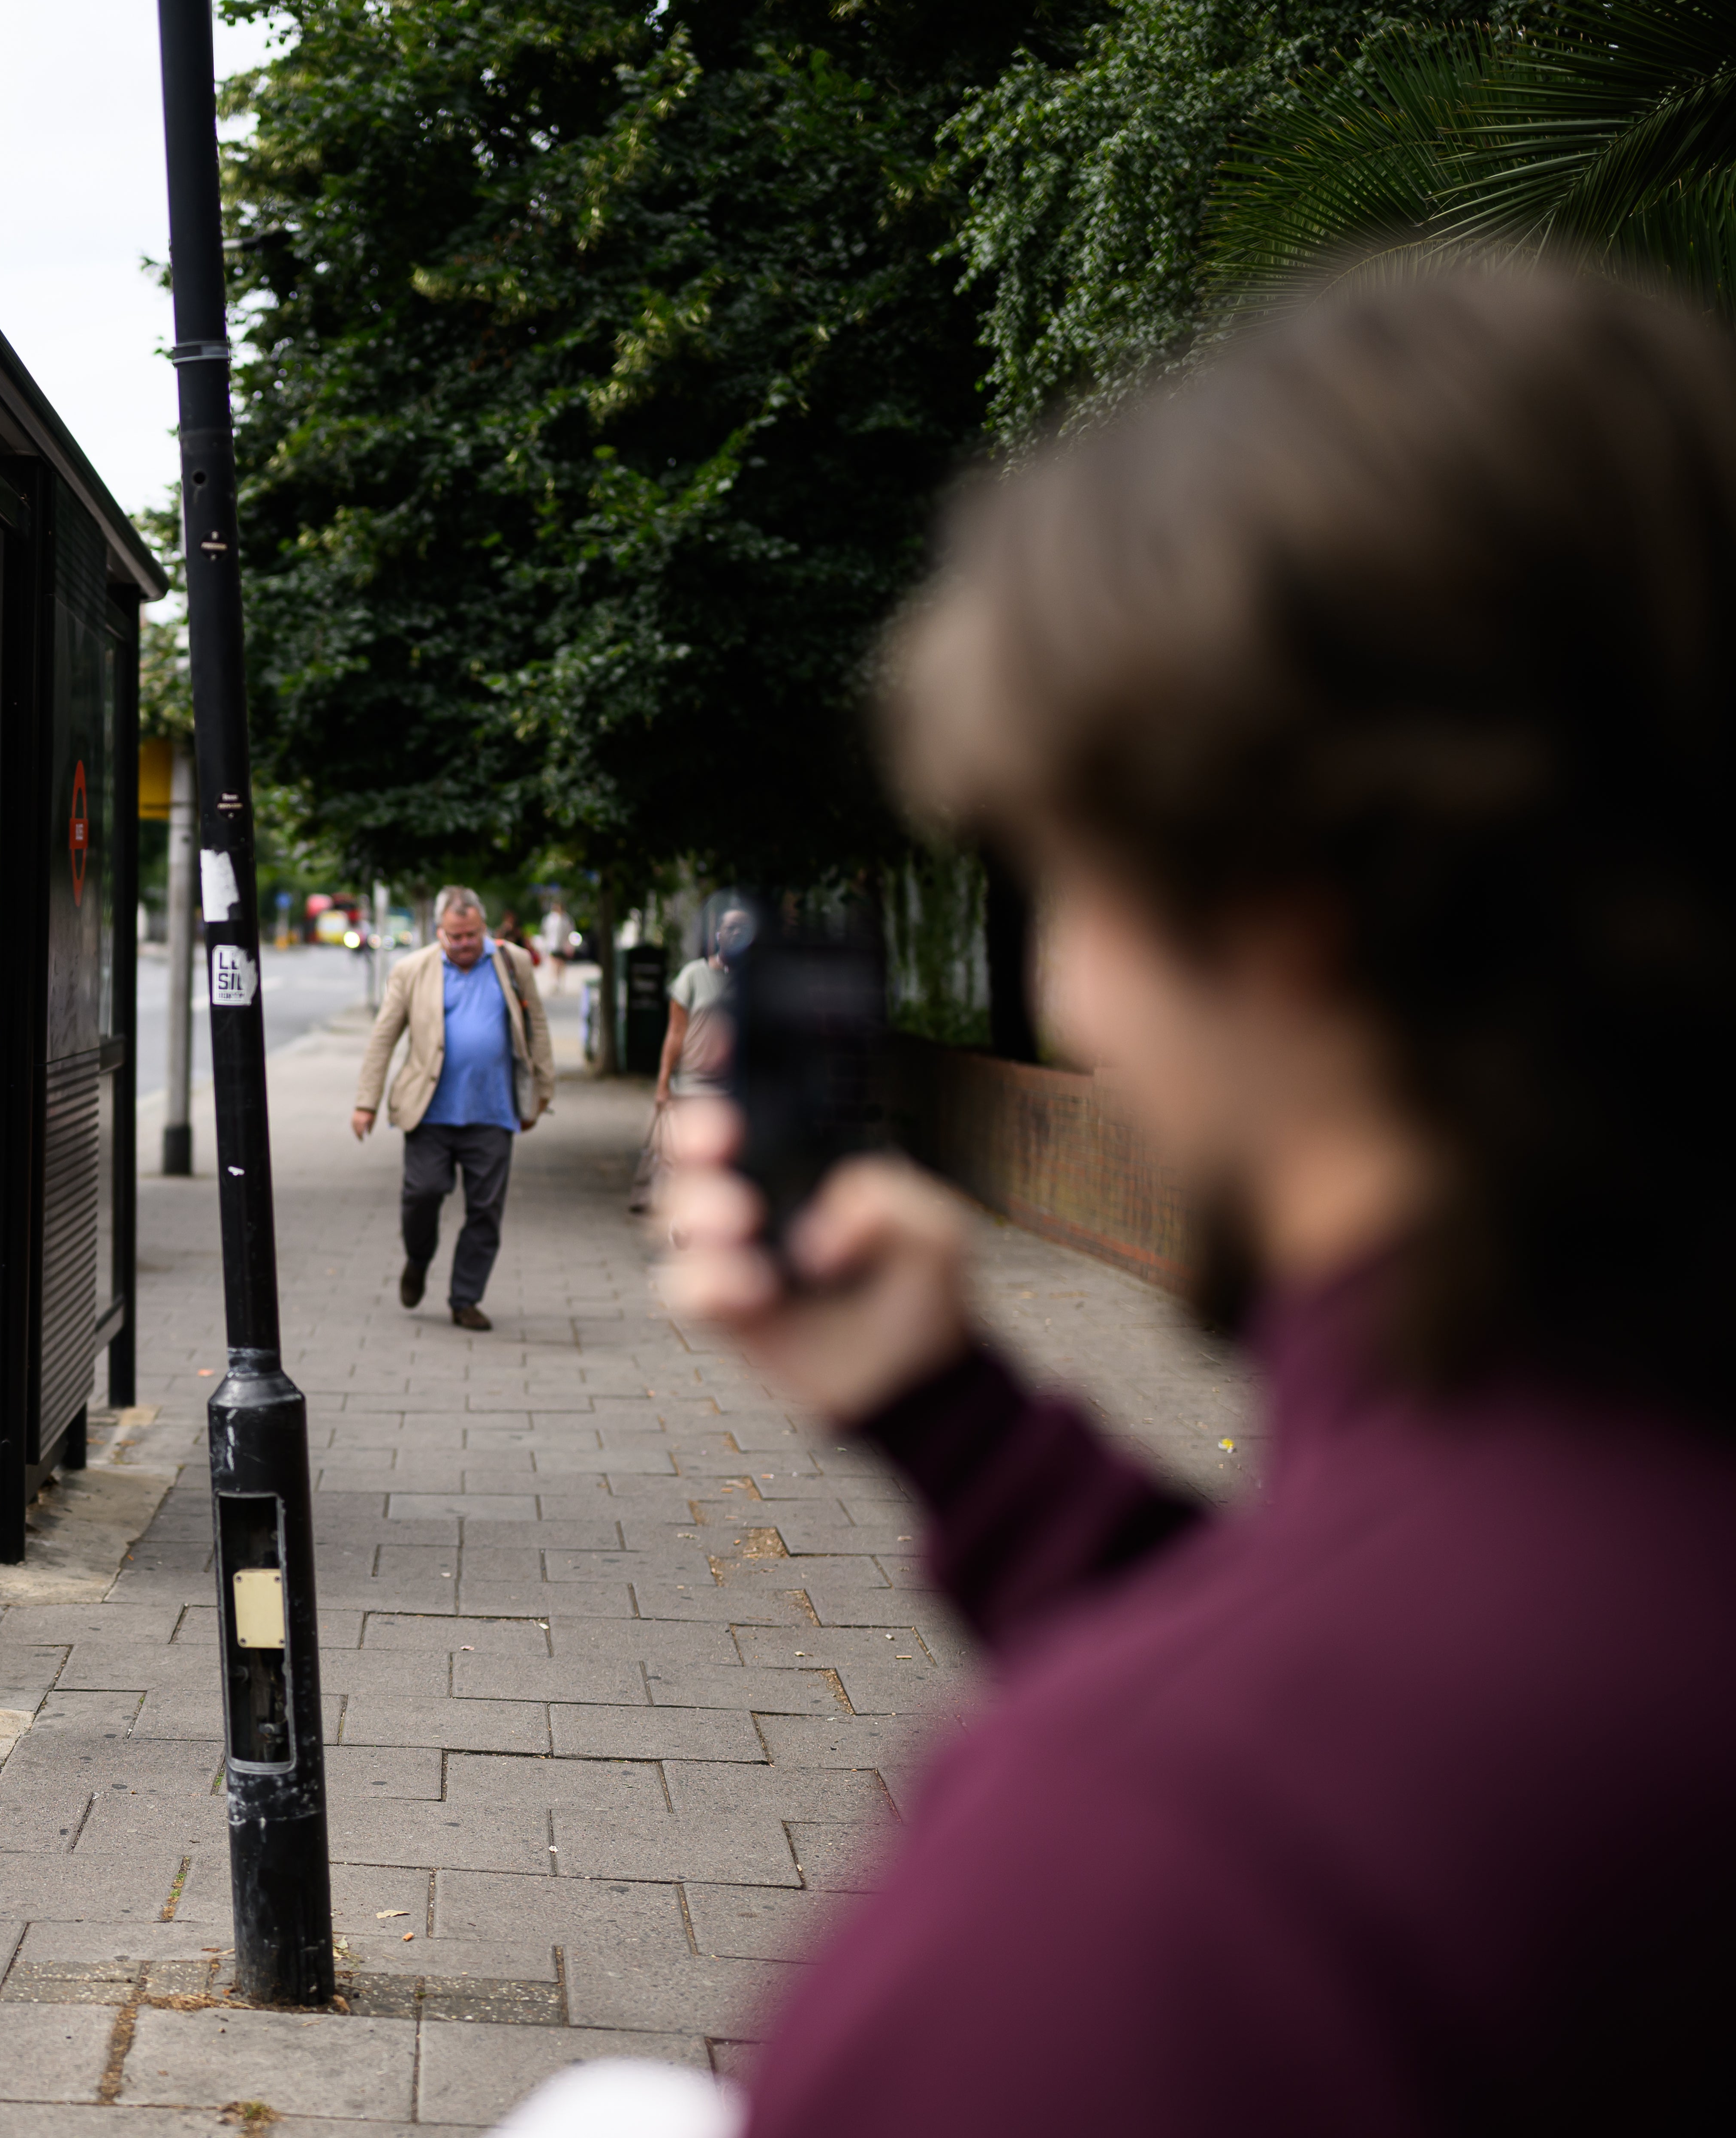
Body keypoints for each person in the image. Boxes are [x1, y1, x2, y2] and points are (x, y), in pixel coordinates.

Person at [649, 266, 1736, 2135]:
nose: (1069, 992)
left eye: (1075, 880)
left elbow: (1350, 1785)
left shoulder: (1149, 1897)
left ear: (1281, 909)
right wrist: (962, 1434)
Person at [352, 886, 552, 1329]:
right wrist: (366, 1102)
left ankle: (464, 1299)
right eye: (455, 936)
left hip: (493, 1111)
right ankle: (418, 1259)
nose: (464, 944)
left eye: (472, 935)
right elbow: (384, 1037)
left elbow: (535, 1024)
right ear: (440, 932)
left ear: (484, 927)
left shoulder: (511, 962)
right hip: (430, 1112)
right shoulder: (412, 970)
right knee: (422, 1193)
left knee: (485, 1210)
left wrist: (541, 1092)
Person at [629, 899, 754, 1213]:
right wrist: (663, 1084)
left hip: (734, 1088)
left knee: (728, 1164)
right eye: (730, 927)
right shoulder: (693, 976)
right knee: (688, 1159)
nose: (736, 933)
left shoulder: (754, 984)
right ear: (717, 934)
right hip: (693, 1084)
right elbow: (675, 1033)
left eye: (743, 927)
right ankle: (682, 1222)